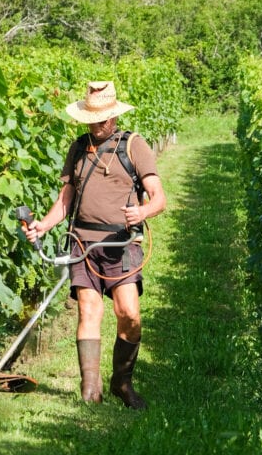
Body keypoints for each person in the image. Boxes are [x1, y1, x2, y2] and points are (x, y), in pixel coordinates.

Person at [23, 80, 166, 409]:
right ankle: (90, 390)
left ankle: (122, 383)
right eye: (90, 118)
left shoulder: (134, 146)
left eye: (101, 119)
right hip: (82, 242)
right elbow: (66, 198)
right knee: (89, 311)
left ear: (114, 118)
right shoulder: (78, 148)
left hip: (122, 243)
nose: (95, 125)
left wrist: (141, 211)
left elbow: (159, 198)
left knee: (128, 314)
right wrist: (43, 225)